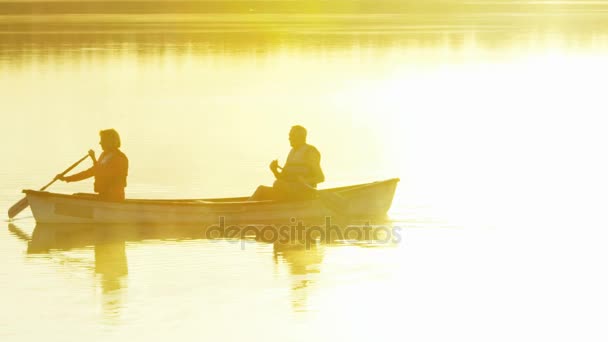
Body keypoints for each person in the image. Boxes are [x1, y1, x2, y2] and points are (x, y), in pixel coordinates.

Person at [250, 125, 324, 201]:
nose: (289, 138)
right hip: (288, 192)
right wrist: (274, 170)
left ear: (301, 137)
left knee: (274, 187)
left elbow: (321, 178)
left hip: (303, 194)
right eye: (290, 135)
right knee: (261, 190)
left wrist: (305, 180)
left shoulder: (310, 152)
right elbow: (283, 177)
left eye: (292, 135)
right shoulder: (292, 152)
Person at [56, 129, 129, 201]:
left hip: (113, 198)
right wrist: (66, 178)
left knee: (79, 198)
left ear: (110, 141)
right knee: (77, 195)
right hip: (103, 196)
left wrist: (94, 159)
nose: (100, 143)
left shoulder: (119, 158)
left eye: (102, 140)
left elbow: (102, 172)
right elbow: (91, 172)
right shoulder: (104, 155)